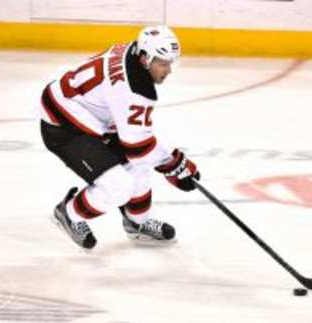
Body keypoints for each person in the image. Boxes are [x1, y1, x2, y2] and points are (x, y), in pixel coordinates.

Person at [38, 25, 200, 250]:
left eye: (170, 63)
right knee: (119, 185)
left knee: (138, 166)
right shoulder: (134, 88)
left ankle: (138, 222)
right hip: (64, 127)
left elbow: (138, 148)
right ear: (145, 59)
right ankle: (69, 213)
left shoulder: (132, 52)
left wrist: (172, 165)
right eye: (163, 63)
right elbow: (138, 147)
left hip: (89, 116)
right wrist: (175, 165)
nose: (168, 70)